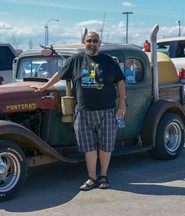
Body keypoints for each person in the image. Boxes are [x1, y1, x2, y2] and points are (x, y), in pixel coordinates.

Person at [32, 31, 126, 191]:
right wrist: (44, 87)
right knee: (88, 146)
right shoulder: (76, 60)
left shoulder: (109, 61)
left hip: (107, 110)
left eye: (95, 41)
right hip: (83, 111)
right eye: (89, 40)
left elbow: (121, 81)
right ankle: (92, 178)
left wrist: (122, 103)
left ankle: (103, 176)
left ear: (99, 43)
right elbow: (59, 74)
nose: (92, 43)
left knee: (106, 145)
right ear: (84, 42)